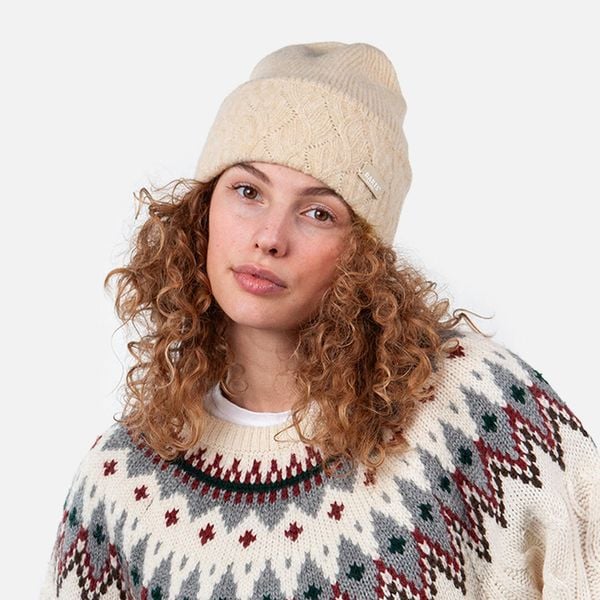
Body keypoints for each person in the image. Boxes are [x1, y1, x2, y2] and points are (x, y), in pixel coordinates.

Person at [40, 41, 600, 600]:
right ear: (201, 211)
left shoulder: (477, 414)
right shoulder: (121, 485)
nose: (270, 237)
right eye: (247, 191)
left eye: (318, 212)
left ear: (364, 253)